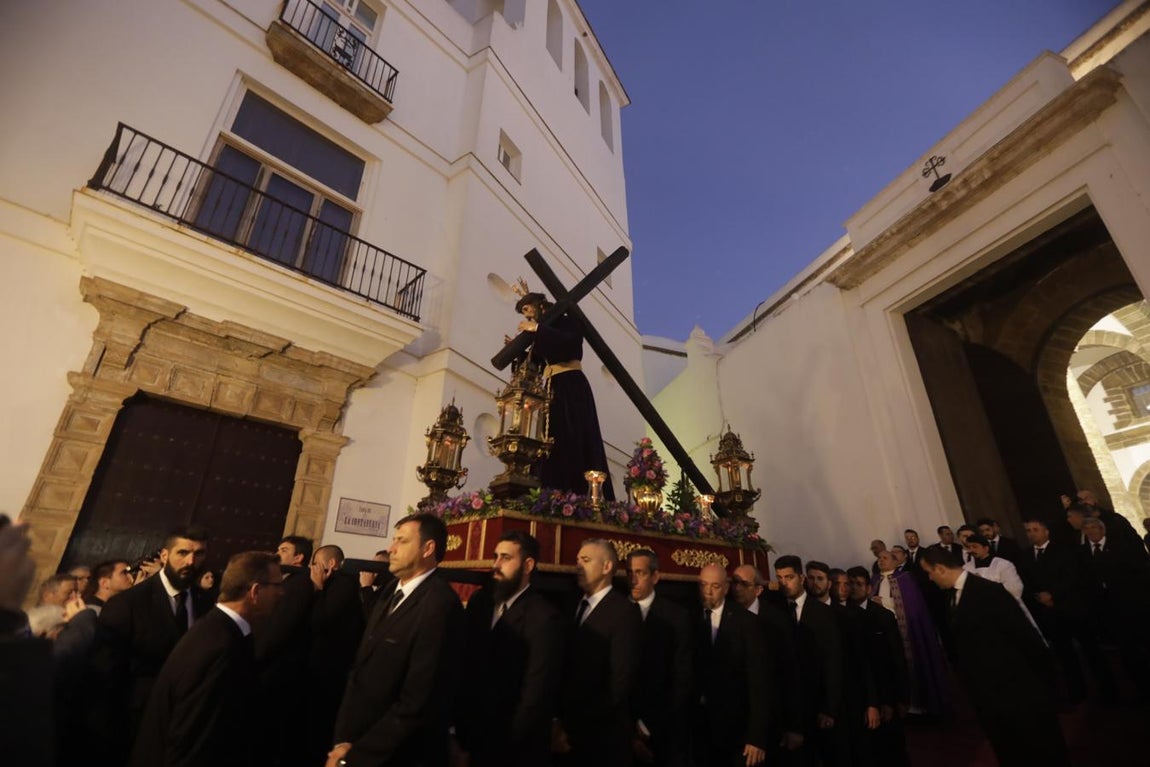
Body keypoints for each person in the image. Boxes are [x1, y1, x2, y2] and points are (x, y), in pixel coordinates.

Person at [328, 513, 464, 767]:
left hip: (395, 754)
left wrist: (357, 755)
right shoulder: (391, 590)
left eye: (401, 540)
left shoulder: (440, 605)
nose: (391, 548)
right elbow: (362, 669)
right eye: (393, 540)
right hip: (357, 739)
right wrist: (343, 740)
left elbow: (418, 700)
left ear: (428, 548)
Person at [129, 551, 284, 767]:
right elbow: (192, 736)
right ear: (255, 591)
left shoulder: (219, 630)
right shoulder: (220, 646)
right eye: (277, 586)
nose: (282, 593)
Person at [919, 547, 1069, 766]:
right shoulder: (952, 596)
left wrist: (1048, 689)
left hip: (1017, 691)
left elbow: (1027, 640)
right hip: (990, 695)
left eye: (929, 572)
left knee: (1039, 751)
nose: (929, 578)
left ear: (940, 569)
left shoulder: (989, 592)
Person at [94, 526, 211, 761]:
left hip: (183, 724)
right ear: (165, 556)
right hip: (134, 723)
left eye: (198, 554)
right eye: (183, 553)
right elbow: (105, 674)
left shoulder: (206, 601)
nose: (191, 561)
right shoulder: (128, 604)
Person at [456, 531, 564, 767]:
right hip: (470, 737)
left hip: (513, 747)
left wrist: (501, 742)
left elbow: (535, 692)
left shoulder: (544, 617)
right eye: (496, 556)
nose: (496, 565)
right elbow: (466, 666)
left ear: (527, 565)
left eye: (505, 558)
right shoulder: (480, 602)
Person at [509, 288, 614, 499]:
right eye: (524, 314)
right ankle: (551, 493)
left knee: (573, 435)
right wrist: (518, 354)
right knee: (549, 440)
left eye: (528, 310)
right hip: (551, 389)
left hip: (571, 385)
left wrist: (538, 329)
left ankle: (577, 493)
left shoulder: (566, 321)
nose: (527, 316)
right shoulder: (540, 332)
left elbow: (570, 344)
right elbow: (536, 365)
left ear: (540, 305)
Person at [558, 538, 641, 767]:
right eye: (577, 560)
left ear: (607, 567)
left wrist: (574, 727)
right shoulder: (571, 605)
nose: (578, 565)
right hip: (566, 734)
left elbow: (619, 683)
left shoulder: (624, 613)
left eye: (586, 560)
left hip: (602, 740)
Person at [625, 548, 692, 766]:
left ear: (655, 576)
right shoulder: (617, 610)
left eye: (640, 573)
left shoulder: (676, 617)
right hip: (620, 730)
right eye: (630, 573)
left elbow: (681, 677)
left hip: (662, 730)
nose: (633, 580)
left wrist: (647, 726)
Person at [730, 565, 803, 761]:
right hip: (736, 721)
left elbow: (789, 672)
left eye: (744, 584)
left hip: (774, 717)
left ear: (759, 590)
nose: (737, 588)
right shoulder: (727, 615)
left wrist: (794, 725)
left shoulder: (776, 620)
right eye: (734, 583)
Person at [776, 554, 843, 766]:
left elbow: (832, 662)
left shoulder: (823, 613)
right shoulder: (776, 611)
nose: (784, 583)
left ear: (801, 577)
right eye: (779, 578)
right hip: (788, 705)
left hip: (816, 701)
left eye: (789, 577)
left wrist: (829, 708)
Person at [257, 535, 317, 767]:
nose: (277, 553)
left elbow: (281, 627)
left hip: (278, 670)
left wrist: (257, 657)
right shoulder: (286, 581)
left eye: (283, 550)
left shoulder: (299, 584)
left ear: (298, 557)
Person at [870, 549, 948, 718]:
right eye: (878, 558)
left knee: (912, 664)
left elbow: (912, 608)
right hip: (885, 632)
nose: (880, 561)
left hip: (905, 630)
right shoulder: (875, 579)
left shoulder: (905, 578)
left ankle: (917, 704)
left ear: (895, 561)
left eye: (884, 558)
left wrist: (883, 602)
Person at [847, 566, 910, 767]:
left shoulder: (883, 616)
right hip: (862, 693)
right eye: (851, 584)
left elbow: (896, 658)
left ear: (868, 588)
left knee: (893, 746)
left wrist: (900, 696)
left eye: (859, 584)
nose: (854, 588)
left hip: (887, 689)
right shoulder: (843, 614)